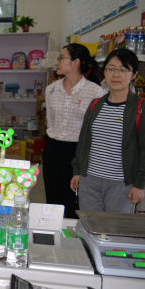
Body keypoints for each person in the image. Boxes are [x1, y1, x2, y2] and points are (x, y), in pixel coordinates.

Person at [71, 49, 145, 213]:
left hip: (122, 184)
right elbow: (83, 141)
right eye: (111, 69)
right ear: (104, 72)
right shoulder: (95, 105)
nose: (116, 74)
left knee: (115, 227)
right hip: (90, 180)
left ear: (134, 75)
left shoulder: (143, 108)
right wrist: (78, 172)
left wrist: (140, 184)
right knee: (89, 224)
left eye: (123, 70)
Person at [42, 43, 104, 218]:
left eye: (62, 58)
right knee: (53, 197)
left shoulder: (95, 92)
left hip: (77, 151)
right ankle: (54, 231)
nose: (57, 62)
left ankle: (73, 234)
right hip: (53, 149)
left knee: (74, 200)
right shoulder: (51, 89)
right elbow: (50, 122)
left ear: (76, 62)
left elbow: (95, 129)